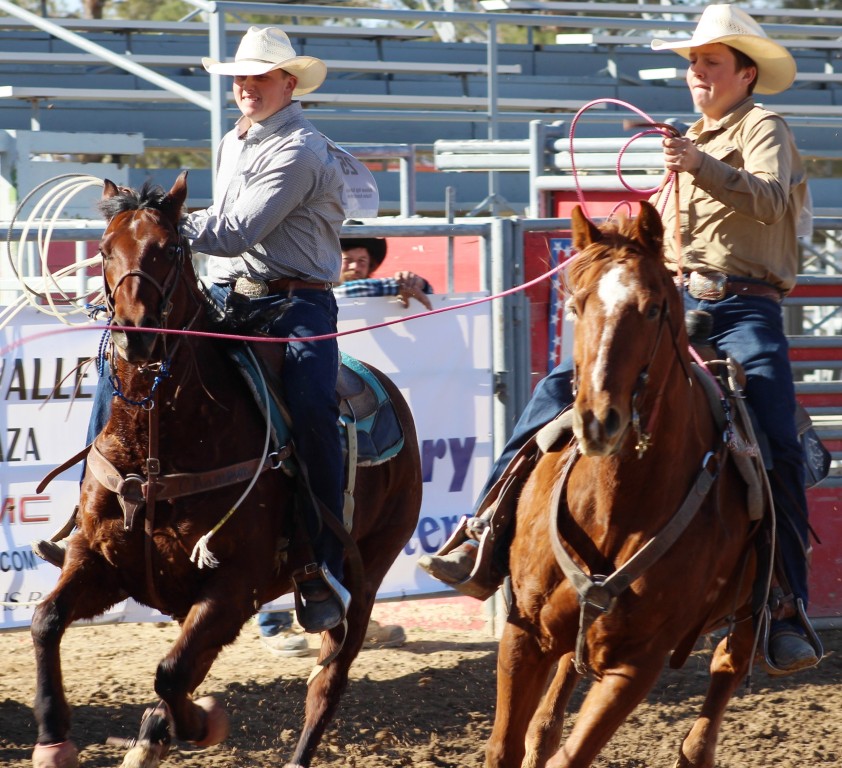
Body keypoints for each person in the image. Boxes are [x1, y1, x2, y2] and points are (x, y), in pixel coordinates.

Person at [419, 4, 820, 675]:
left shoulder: (763, 129)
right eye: (693, 62)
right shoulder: (686, 141)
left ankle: (784, 603)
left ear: (746, 73)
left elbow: (775, 200)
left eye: (710, 62)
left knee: (775, 435)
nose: (697, 72)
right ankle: (484, 531)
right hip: (676, 303)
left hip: (745, 310)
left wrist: (701, 166)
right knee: (558, 390)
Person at [33, 26, 351, 636]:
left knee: (313, 409)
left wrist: (151, 228)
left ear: (289, 83)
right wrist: (144, 234)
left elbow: (232, 233)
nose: (246, 87)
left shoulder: (302, 150)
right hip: (233, 299)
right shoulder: (238, 141)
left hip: (297, 307)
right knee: (118, 364)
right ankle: (87, 519)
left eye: (259, 77)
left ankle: (319, 563)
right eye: (240, 78)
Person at [258, 235, 433, 655]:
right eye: (346, 259)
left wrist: (414, 282)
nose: (354, 266)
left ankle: (347, 610)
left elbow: (420, 287)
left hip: (337, 401)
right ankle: (274, 618)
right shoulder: (316, 291)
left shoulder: (331, 292)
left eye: (361, 261)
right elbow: (353, 291)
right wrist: (399, 286)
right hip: (311, 389)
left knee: (342, 489)